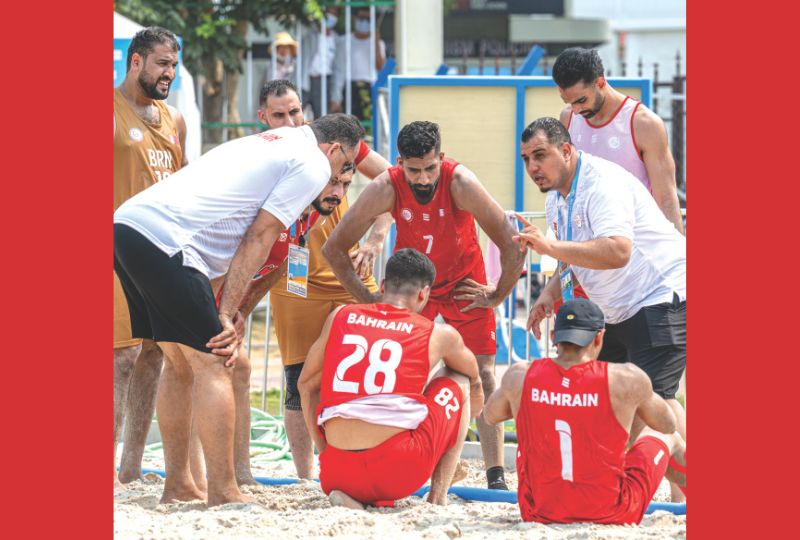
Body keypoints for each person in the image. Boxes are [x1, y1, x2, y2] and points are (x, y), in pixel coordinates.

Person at [113, 113, 365, 506]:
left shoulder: (273, 140)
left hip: (129, 227)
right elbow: (259, 236)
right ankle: (224, 490)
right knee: (218, 361)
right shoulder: (314, 163)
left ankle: (177, 484)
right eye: (344, 165)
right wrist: (226, 314)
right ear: (333, 148)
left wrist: (226, 306)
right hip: (170, 240)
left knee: (179, 364)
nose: (338, 178)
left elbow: (220, 239)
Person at [323, 120, 525, 490]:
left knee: (482, 374)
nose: (422, 178)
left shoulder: (460, 182)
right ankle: (393, 454)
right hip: (416, 287)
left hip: (465, 284)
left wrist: (497, 294)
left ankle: (495, 473)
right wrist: (368, 301)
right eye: (413, 170)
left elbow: (513, 245)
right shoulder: (386, 186)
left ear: (441, 159)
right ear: (399, 163)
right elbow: (333, 248)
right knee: (404, 373)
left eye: (430, 168)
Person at [514, 117, 686, 483]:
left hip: (660, 293)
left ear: (566, 150)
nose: (532, 168)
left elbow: (618, 250)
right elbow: (575, 255)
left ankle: (681, 491)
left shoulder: (601, 183)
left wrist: (548, 246)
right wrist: (549, 293)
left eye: (540, 156)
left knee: (652, 404)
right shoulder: (558, 197)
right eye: (526, 159)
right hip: (617, 307)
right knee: (619, 401)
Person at [254, 79, 393, 480]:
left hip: (345, 272)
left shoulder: (335, 138)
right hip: (294, 277)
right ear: (263, 117)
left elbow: (392, 182)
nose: (290, 120)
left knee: (359, 370)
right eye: (279, 114)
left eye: (294, 111)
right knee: (299, 378)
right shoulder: (264, 153)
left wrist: (376, 237)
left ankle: (362, 459)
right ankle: (305, 476)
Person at [298, 248, 484, 508]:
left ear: (383, 285)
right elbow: (472, 372)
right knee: (457, 378)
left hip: (336, 473)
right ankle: (437, 496)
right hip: (398, 471)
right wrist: (476, 391)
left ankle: (354, 497)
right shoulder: (439, 334)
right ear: (424, 293)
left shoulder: (340, 316)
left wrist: (326, 451)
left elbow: (305, 386)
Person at [484, 298, 686, 524]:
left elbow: (490, 415)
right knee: (669, 437)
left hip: (537, 511)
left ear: (554, 338)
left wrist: (547, 402)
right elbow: (667, 424)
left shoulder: (520, 376)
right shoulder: (626, 379)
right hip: (612, 512)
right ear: (599, 337)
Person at [113, 26, 187, 494]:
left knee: (153, 355)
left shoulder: (175, 119)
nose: (169, 73)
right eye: (162, 63)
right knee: (121, 358)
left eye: (174, 65)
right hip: (115, 251)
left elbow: (186, 188)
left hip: (161, 252)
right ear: (136, 61)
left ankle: (130, 468)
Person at [552, 47, 684, 234]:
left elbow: (666, 198)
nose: (576, 109)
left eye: (581, 100)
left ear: (600, 82)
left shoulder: (643, 123)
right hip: (587, 246)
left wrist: (678, 257)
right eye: (569, 102)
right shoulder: (568, 119)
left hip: (635, 246)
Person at [331, 6, 386, 120]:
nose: (364, 22)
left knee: (370, 124)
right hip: (350, 88)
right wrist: (336, 97)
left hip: (370, 87)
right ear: (354, 18)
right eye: (361, 18)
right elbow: (339, 71)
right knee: (350, 125)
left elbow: (380, 67)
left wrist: (376, 43)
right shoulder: (344, 41)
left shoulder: (378, 43)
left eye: (368, 19)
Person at [301, 6, 340, 120]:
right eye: (328, 14)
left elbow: (338, 69)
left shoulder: (336, 39)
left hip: (323, 82)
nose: (330, 18)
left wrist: (336, 96)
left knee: (322, 119)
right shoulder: (309, 33)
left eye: (334, 15)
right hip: (305, 81)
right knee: (294, 116)